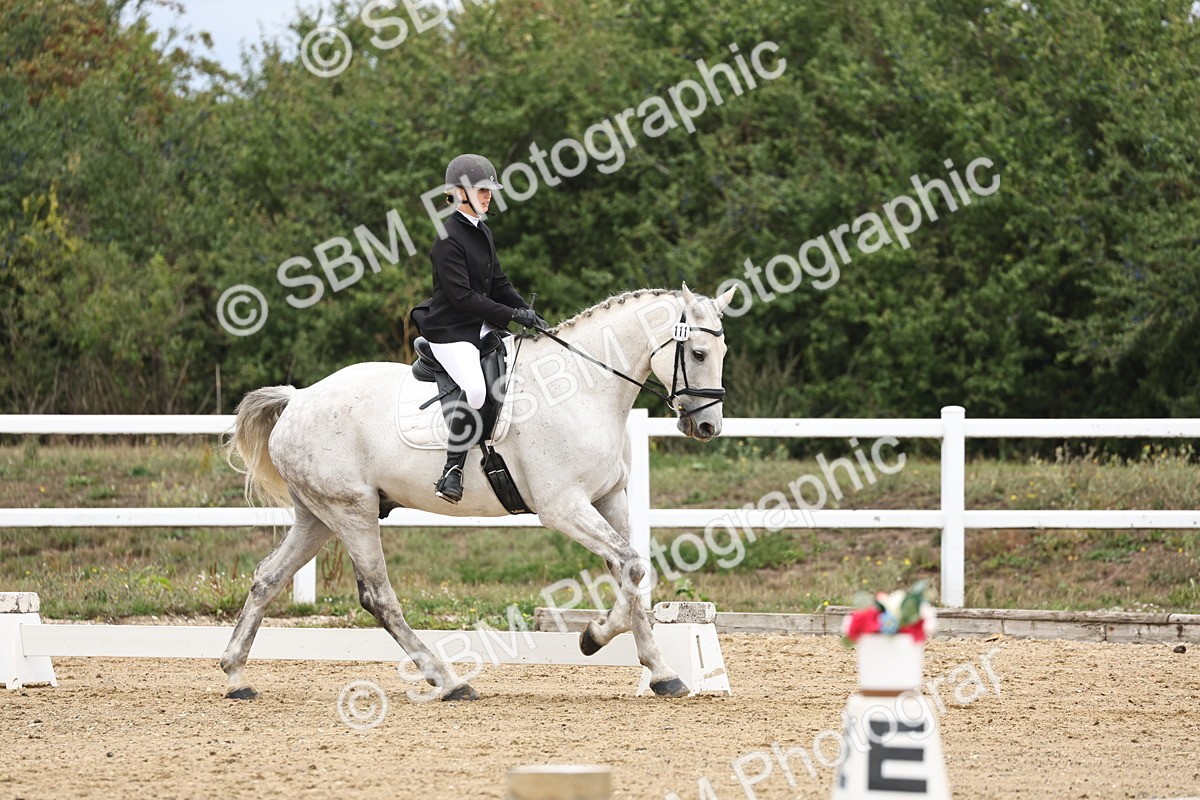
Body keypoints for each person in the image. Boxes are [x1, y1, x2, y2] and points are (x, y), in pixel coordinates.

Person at [418, 154, 546, 504]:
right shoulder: (447, 238)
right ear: (460, 193)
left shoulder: (481, 230)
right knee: (475, 389)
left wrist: (526, 311)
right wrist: (511, 314)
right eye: (481, 190)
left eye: (490, 190)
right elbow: (462, 298)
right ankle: (452, 470)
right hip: (451, 330)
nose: (488, 196)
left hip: (481, 326)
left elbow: (499, 282)